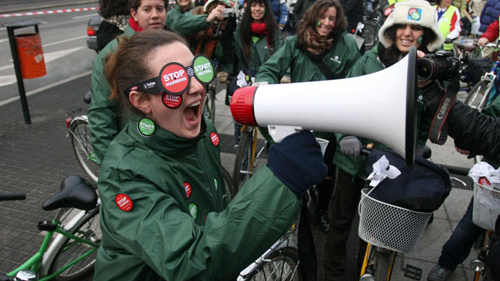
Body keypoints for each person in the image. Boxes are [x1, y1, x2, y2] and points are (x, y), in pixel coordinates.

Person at [92, 29, 327, 281]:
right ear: (141, 101)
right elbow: (191, 261)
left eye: (197, 71)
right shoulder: (124, 174)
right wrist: (281, 179)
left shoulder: (203, 132)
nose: (197, 87)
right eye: (175, 79)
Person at [324, 1, 445, 280]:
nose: (407, 33)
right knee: (341, 221)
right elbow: (344, 102)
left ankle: (364, 274)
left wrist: (419, 143)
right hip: (354, 160)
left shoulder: (428, 72)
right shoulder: (368, 62)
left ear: (425, 34)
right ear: (391, 30)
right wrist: (346, 134)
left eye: (416, 28)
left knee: (375, 229)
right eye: (401, 25)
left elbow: (427, 116)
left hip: (392, 163)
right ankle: (332, 273)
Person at [255, 0, 360, 234]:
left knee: (326, 174)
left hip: (330, 121)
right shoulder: (295, 43)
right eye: (323, 17)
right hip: (299, 117)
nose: (327, 23)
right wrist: (267, 91)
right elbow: (269, 69)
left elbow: (355, 82)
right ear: (313, 17)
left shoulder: (347, 45)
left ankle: (322, 209)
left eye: (332, 19)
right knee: (289, 165)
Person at [88, 0, 168, 165]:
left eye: (160, 9)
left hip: (170, 147)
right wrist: (113, 166)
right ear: (134, 14)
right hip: (136, 155)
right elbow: (101, 114)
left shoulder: (173, 47)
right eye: (147, 9)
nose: (155, 15)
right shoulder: (112, 54)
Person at [219, 0, 284, 146]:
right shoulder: (240, 31)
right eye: (254, 5)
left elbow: (282, 56)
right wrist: (224, 70)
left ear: (266, 8)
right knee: (240, 114)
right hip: (245, 79)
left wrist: (286, 75)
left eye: (261, 5)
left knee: (269, 124)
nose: (257, 9)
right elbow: (232, 55)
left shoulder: (275, 32)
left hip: (267, 82)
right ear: (249, 8)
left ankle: (272, 148)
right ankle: (239, 143)